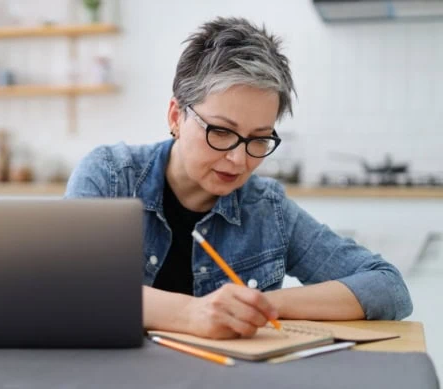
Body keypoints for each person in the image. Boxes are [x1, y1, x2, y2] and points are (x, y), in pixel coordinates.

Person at [64, 17, 413, 339]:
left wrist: (261, 305)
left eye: (259, 139)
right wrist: (190, 313)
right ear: (176, 116)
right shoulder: (109, 178)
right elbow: (69, 288)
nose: (238, 159)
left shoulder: (267, 209)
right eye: (221, 131)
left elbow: (387, 287)